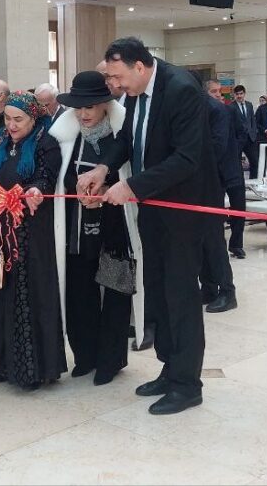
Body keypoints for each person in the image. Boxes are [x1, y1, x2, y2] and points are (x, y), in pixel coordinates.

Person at [79, 37, 219, 416]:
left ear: (139, 66)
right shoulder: (135, 93)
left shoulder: (181, 90)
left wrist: (131, 187)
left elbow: (187, 158)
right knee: (157, 291)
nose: (113, 85)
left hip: (183, 211)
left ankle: (187, 384)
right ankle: (169, 368)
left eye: (116, 77)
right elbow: (127, 140)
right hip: (153, 208)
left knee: (181, 295)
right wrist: (103, 169)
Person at [0, 91, 66, 391]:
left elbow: (45, 178)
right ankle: (3, 364)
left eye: (19, 120)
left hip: (31, 232)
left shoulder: (45, 143)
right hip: (1, 229)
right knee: (1, 295)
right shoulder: (0, 141)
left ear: (33, 118)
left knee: (29, 295)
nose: (12, 125)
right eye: (7, 119)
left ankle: (33, 369)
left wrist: (36, 191)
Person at [50, 72, 134, 385]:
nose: (83, 114)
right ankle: (85, 356)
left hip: (114, 230)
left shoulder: (121, 136)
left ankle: (111, 360)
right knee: (79, 293)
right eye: (78, 108)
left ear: (105, 105)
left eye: (90, 107)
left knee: (115, 293)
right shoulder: (66, 138)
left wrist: (107, 191)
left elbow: (130, 179)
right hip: (76, 231)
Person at [204, 80, 246, 276]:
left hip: (232, 167)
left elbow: (242, 133)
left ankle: (237, 244)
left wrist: (235, 150)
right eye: (213, 91)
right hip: (214, 170)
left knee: (239, 207)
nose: (218, 95)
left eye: (219, 91)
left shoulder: (230, 110)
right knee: (216, 211)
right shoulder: (203, 112)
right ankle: (218, 247)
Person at [233, 85, 259, 179]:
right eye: (237, 94)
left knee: (254, 161)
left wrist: (254, 132)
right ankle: (240, 182)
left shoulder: (249, 105)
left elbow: (252, 120)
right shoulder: (231, 106)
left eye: (241, 93)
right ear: (234, 95)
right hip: (238, 139)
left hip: (250, 138)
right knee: (237, 163)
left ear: (244, 94)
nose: (239, 96)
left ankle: (253, 181)